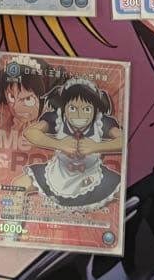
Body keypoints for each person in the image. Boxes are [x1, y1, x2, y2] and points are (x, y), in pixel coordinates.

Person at [10, 78, 124, 210]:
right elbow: (30, 132)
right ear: (64, 107)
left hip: (92, 175)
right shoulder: (57, 118)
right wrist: (59, 144)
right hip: (58, 173)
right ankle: (13, 221)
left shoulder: (100, 122)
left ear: (95, 109)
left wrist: (96, 147)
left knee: (123, 189)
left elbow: (123, 140)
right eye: (73, 108)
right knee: (19, 185)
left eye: (87, 109)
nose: (79, 115)